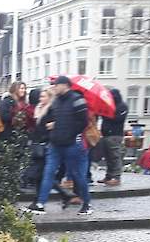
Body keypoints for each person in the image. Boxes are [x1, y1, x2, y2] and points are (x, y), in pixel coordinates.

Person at [29, 76, 92, 215]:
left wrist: (69, 133)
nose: (54, 87)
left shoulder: (77, 100)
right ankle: (40, 203)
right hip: (55, 144)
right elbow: (47, 121)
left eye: (56, 85)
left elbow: (83, 122)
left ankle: (86, 203)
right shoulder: (56, 102)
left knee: (78, 175)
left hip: (72, 145)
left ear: (65, 85)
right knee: (48, 172)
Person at [99, 88, 128, 186]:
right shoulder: (109, 105)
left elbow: (118, 118)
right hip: (107, 134)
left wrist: (106, 114)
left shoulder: (122, 106)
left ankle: (116, 177)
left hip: (115, 135)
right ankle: (109, 176)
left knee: (115, 156)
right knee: (108, 157)